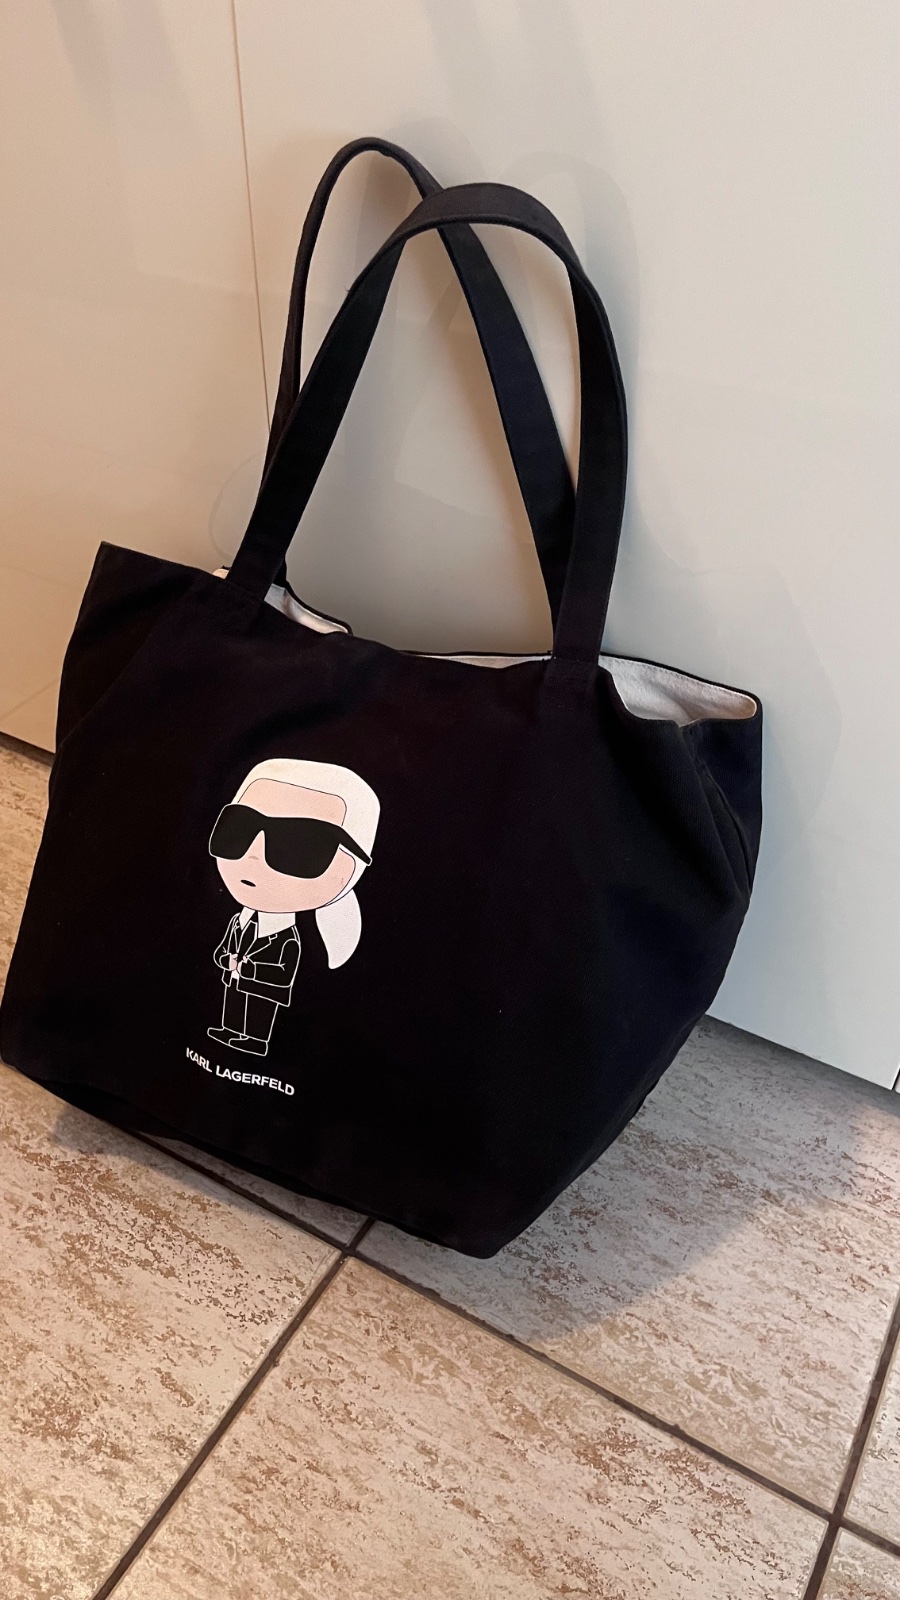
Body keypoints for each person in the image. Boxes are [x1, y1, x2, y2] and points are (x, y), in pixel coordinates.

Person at [207, 757, 380, 1056]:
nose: (254, 854)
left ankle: (254, 1040)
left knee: (258, 1014)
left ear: (351, 869)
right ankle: (231, 1030)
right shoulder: (239, 922)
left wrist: (248, 968)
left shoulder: (287, 938)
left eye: (301, 845)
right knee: (233, 1006)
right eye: (239, 829)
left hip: (264, 993)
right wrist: (226, 959)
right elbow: (224, 948)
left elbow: (283, 973)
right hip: (234, 982)